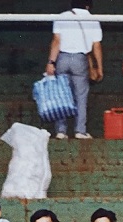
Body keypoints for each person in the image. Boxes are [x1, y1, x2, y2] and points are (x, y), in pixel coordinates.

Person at [45, 0, 102, 139]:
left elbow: (56, 41)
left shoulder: (62, 16)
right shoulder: (93, 20)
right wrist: (99, 67)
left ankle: (60, 131)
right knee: (81, 96)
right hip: (80, 59)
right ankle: (80, 131)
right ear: (88, 5)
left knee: (62, 95)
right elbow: (96, 46)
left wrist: (51, 62)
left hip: (62, 58)